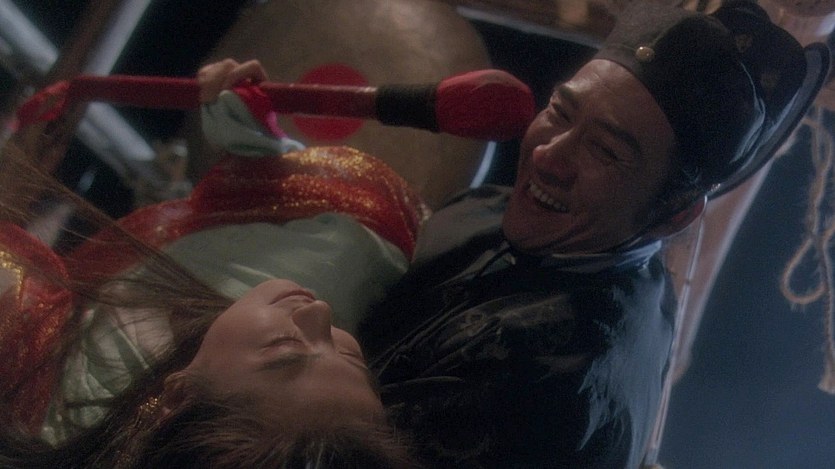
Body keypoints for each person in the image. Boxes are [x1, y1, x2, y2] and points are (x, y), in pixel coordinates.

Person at [354, 1, 828, 467]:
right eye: (561, 112)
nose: (547, 157)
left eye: (605, 150)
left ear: (675, 215)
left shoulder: (543, 372)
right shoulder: (506, 212)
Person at [0, 62, 425, 468]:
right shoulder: (345, 257)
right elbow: (365, 221)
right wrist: (253, 138)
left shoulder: (32, 396)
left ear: (177, 398)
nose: (320, 312)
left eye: (285, 349)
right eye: (355, 361)